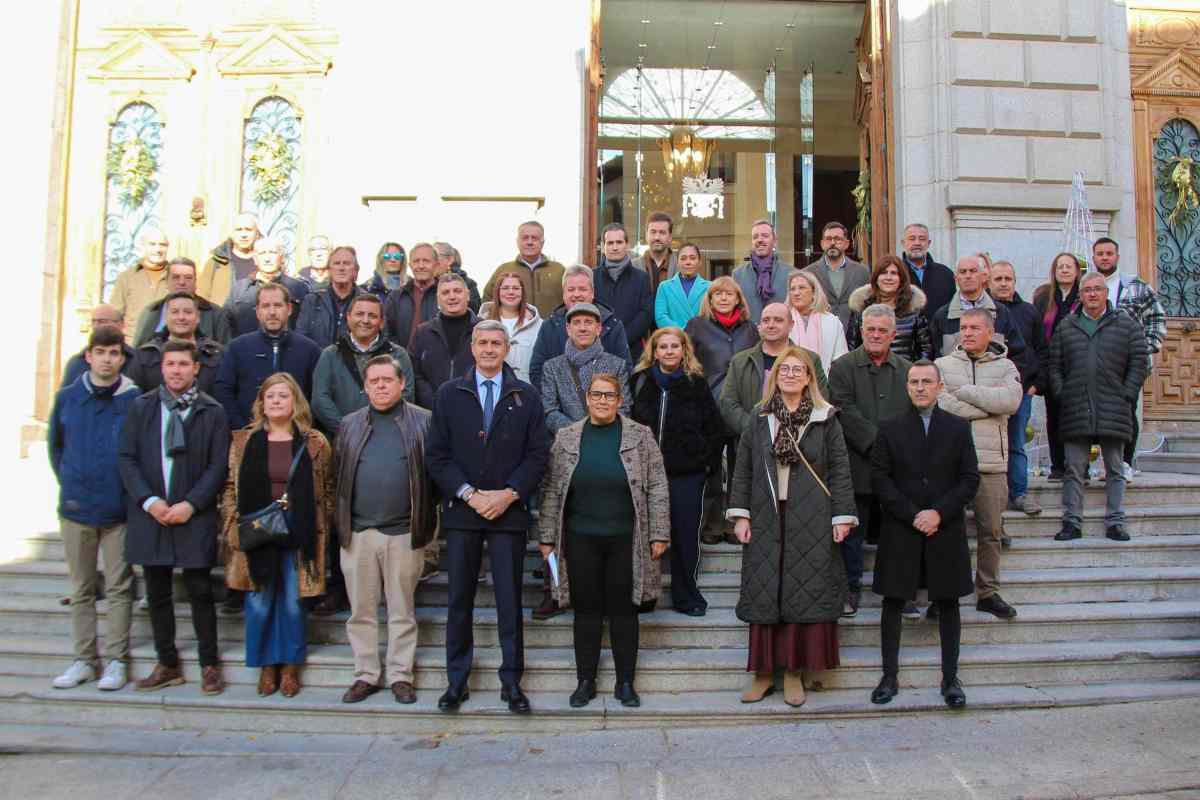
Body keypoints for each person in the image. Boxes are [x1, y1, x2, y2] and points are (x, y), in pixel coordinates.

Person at [426, 320, 550, 714]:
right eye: (483, 342)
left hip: (508, 512)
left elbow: (537, 455)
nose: (490, 349)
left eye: (497, 343)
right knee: (459, 600)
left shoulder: (525, 396)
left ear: (507, 348)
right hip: (463, 512)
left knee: (509, 601)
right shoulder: (449, 394)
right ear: (473, 347)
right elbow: (437, 456)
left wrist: (510, 493)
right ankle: (456, 683)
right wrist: (468, 494)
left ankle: (512, 683)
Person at [727, 347, 856, 707]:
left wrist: (841, 516)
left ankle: (796, 672)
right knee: (767, 588)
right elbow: (744, 468)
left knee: (803, 589)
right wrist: (741, 515)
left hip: (812, 514)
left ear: (809, 377)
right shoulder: (759, 417)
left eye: (799, 370)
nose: (791, 375)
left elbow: (840, 470)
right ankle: (765, 674)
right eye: (785, 369)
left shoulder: (825, 417)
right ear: (775, 376)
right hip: (767, 512)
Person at [539, 372, 670, 708]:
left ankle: (625, 682)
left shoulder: (640, 436)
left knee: (626, 611)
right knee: (586, 611)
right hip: (580, 538)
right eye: (596, 394)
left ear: (619, 400)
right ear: (587, 399)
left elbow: (657, 484)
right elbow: (552, 489)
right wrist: (547, 536)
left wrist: (659, 532)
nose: (602, 401)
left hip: (628, 538)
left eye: (608, 395)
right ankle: (585, 681)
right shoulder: (567, 437)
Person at [118, 340, 230, 695]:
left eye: (184, 364)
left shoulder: (211, 411)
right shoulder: (143, 408)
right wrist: (149, 501)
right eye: (171, 364)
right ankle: (167, 662)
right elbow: (127, 458)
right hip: (153, 513)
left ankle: (209, 663)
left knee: (199, 590)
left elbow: (217, 465)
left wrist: (192, 504)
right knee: (158, 591)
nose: (177, 370)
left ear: (195, 368)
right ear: (162, 368)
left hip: (192, 513)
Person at [870, 360, 980, 709]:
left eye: (926, 382)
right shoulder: (889, 428)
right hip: (902, 528)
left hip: (944, 528)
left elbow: (969, 479)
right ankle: (889, 677)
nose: (920, 387)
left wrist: (938, 513)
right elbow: (880, 480)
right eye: (914, 381)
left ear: (939, 386)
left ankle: (951, 678)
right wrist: (912, 514)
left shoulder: (958, 428)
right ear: (907, 386)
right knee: (893, 601)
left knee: (948, 603)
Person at [333, 356, 436, 705]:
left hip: (405, 532)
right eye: (373, 380)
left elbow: (433, 478)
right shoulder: (348, 425)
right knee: (360, 611)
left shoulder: (423, 422)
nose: (380, 386)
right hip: (359, 533)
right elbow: (338, 477)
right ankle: (365, 674)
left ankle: (400, 675)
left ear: (401, 383)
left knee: (401, 610)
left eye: (386, 380)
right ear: (364, 386)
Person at [221, 374, 332, 698]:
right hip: (258, 534)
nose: (277, 401)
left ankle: (290, 667)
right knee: (259, 602)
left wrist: (320, 525)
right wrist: (232, 525)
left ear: (295, 401)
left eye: (283, 396)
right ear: (261, 403)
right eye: (270, 396)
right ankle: (266, 665)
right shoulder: (243, 442)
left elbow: (326, 488)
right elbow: (230, 487)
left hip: (298, 533)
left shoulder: (314, 442)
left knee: (293, 603)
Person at [48, 327, 139, 691]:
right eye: (100, 352)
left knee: (118, 587)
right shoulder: (69, 398)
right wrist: (72, 481)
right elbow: (56, 447)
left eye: (114, 353)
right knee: (83, 587)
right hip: (76, 508)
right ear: (88, 356)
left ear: (121, 357)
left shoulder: (134, 401)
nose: (106, 359)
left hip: (118, 510)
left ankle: (116, 659)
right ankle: (84, 658)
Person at [934, 308, 1023, 619]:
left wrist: (967, 393)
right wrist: (988, 406)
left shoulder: (1006, 366)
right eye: (963, 327)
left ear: (990, 332)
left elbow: (1010, 402)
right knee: (945, 531)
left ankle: (987, 592)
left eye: (974, 327)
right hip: (949, 464)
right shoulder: (942, 365)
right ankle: (944, 592)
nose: (967, 333)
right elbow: (940, 403)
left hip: (991, 463)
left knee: (991, 531)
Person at [630, 327, 724, 616]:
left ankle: (687, 595)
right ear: (654, 351)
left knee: (685, 535)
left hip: (686, 474)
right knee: (644, 532)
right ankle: (645, 594)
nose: (669, 351)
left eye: (675, 346)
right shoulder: (641, 381)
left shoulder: (696, 383)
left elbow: (714, 428)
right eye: (663, 347)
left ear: (684, 350)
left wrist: (704, 462)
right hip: (646, 474)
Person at [827, 304, 912, 618]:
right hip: (855, 464)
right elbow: (843, 409)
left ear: (893, 334)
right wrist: (880, 443)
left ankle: (901, 593)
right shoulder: (842, 367)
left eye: (882, 331)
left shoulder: (906, 370)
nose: (875, 335)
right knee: (850, 534)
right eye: (870, 329)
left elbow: (912, 414)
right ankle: (848, 590)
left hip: (898, 468)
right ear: (861, 331)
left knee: (898, 534)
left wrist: (895, 449)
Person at [1050, 272, 1149, 543]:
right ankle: (1071, 523)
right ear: (1080, 295)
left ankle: (1116, 523)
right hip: (1076, 407)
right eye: (1087, 290)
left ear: (1106, 293)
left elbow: (1139, 362)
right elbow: (1054, 365)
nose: (1092, 294)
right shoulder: (1067, 325)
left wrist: (1127, 394)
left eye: (1097, 289)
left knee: (1116, 468)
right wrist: (1062, 393)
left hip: (1114, 407)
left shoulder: (1126, 324)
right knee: (1074, 468)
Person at [688, 278, 759, 544]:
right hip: (709, 406)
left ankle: (735, 524)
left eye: (729, 293)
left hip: (743, 406)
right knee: (711, 468)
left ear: (739, 298)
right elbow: (688, 363)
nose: (723, 298)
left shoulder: (751, 329)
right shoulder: (697, 326)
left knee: (741, 465)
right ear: (710, 299)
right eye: (717, 294)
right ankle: (712, 524)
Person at [1091, 237, 1167, 478]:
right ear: (1093, 258)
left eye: (1109, 253)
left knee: (1126, 411)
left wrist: (1144, 349)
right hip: (1094, 362)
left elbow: (1156, 319)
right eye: (1100, 253)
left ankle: (1125, 462)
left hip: (1128, 365)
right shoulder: (1087, 287)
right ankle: (1101, 464)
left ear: (1117, 256)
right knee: (1095, 412)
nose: (1105, 257)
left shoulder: (1137, 286)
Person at [214, 283, 322, 430]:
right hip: (248, 435)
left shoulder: (309, 349)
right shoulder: (237, 348)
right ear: (257, 312)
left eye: (278, 305)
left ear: (289, 309)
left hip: (297, 437)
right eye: (266, 306)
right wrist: (243, 429)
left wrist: (303, 428)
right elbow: (223, 391)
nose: (272, 312)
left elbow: (317, 397)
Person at [988, 260, 1047, 516]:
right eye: (998, 279)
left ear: (1014, 281)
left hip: (1020, 390)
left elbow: (1041, 351)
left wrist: (1034, 386)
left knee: (1016, 444)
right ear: (989, 282)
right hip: (988, 391)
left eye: (1007, 279)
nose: (1003, 283)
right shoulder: (987, 311)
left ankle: (1019, 493)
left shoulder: (1029, 312)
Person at [311, 293, 415, 435]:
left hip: (388, 437)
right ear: (348, 317)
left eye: (372, 315)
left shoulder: (398, 355)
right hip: (341, 441)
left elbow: (407, 396)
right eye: (359, 314)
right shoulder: (330, 355)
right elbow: (320, 400)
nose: (365, 320)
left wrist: (380, 430)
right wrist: (346, 430)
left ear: (382, 322)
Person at [528, 265, 632, 392]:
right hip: (558, 407)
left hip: (603, 404)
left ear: (592, 292)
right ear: (563, 293)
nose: (576, 294)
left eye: (582, 289)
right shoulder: (550, 326)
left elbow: (624, 370)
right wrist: (561, 399)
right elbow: (537, 371)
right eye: (571, 289)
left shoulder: (612, 325)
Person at [542, 302, 631, 433]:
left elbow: (624, 407)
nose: (582, 328)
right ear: (568, 328)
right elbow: (549, 411)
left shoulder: (617, 365)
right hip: (568, 444)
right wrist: (578, 431)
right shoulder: (552, 367)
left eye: (588, 322)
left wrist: (602, 431)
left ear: (599, 328)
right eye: (577, 322)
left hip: (607, 440)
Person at [1031, 252, 1082, 480]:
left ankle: (1079, 466)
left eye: (1068, 266)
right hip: (1053, 366)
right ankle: (1057, 466)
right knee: (1054, 418)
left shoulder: (1083, 297)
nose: (1064, 270)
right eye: (1060, 266)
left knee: (1078, 419)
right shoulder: (1044, 297)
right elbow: (1037, 333)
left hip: (1078, 366)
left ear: (1077, 271)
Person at [929, 255, 1027, 360]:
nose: (968, 276)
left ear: (983, 277)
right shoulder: (942, 316)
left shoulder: (1002, 312)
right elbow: (934, 356)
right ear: (956, 279)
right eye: (963, 272)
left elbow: (1019, 354)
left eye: (973, 271)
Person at [128, 291, 224, 395]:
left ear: (198, 317)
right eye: (175, 312)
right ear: (165, 317)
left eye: (188, 312)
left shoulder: (217, 354)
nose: (181, 317)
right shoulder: (145, 354)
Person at [846, 255, 933, 362]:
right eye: (883, 273)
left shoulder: (914, 311)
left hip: (905, 375)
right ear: (876, 278)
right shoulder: (861, 310)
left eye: (894, 273)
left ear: (901, 278)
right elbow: (851, 348)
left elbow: (926, 350)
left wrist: (915, 373)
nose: (888, 277)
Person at [412, 272, 479, 410]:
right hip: (431, 412)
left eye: (457, 291)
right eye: (445, 292)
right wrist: (435, 401)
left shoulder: (483, 330)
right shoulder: (422, 332)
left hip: (473, 409)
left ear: (467, 295)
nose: (452, 296)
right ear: (438, 299)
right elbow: (415, 374)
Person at [132, 257, 233, 346]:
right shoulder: (150, 311)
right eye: (176, 277)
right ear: (166, 282)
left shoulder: (215, 314)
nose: (182, 282)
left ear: (195, 282)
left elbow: (225, 352)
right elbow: (138, 351)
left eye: (188, 278)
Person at [225, 236, 309, 337]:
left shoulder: (298, 288)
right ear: (255, 259)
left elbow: (306, 327)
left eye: (272, 253)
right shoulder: (239, 289)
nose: (267, 259)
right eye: (262, 253)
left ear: (281, 258)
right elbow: (227, 324)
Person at [593, 223, 654, 362]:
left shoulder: (642, 278)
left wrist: (622, 337)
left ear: (627, 245)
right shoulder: (592, 277)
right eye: (610, 243)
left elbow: (646, 314)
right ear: (603, 247)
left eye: (619, 242)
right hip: (597, 349)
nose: (615, 247)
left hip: (632, 351)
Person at [482, 220, 566, 319]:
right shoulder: (503, 270)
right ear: (518, 242)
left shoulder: (559, 270)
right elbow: (488, 301)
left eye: (534, 238)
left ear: (542, 242)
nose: (529, 242)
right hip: (514, 331)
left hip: (552, 330)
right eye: (525, 238)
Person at [478, 271, 543, 383]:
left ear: (522, 292)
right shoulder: (481, 324)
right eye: (505, 288)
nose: (511, 292)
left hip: (528, 392)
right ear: (497, 292)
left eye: (516, 288)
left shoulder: (539, 325)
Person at [802, 221, 869, 328]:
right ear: (822, 243)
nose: (832, 243)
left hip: (853, 336)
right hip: (819, 333)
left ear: (846, 244)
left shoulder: (862, 272)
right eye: (828, 239)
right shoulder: (808, 274)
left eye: (837, 239)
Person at [296, 245, 363, 350]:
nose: (341, 268)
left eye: (346, 263)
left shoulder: (367, 301)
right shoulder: (312, 301)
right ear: (329, 270)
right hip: (318, 362)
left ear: (355, 270)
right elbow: (301, 339)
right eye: (336, 263)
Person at [110, 227, 170, 341]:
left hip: (166, 346)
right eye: (152, 244)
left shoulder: (176, 277)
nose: (158, 249)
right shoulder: (127, 278)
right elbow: (115, 316)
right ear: (142, 247)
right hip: (132, 344)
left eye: (162, 245)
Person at [786, 270, 849, 374]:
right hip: (790, 380)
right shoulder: (783, 320)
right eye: (792, 289)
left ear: (814, 292)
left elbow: (841, 360)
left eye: (802, 288)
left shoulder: (832, 322)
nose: (796, 293)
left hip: (825, 383)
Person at [732, 219, 792, 321]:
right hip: (749, 334)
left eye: (765, 236)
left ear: (774, 241)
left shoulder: (791, 273)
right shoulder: (738, 274)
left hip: (780, 333)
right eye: (755, 237)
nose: (760, 240)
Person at [61, 305, 136, 386]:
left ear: (120, 324)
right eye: (93, 322)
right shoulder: (77, 362)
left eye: (102, 321)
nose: (96, 326)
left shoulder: (137, 361)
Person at [383, 242, 439, 349]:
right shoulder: (396, 297)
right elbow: (386, 332)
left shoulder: (445, 295)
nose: (421, 266)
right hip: (402, 360)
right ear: (410, 265)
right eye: (416, 261)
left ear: (436, 265)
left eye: (426, 261)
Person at [199, 212, 259, 305]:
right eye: (239, 230)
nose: (244, 235)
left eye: (248, 230)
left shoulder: (264, 263)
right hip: (221, 318)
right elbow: (201, 298)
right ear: (231, 234)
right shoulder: (216, 263)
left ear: (257, 234)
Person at [899, 223, 956, 318]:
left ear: (928, 243)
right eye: (912, 239)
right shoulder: (895, 274)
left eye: (922, 239)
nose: (917, 243)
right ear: (903, 243)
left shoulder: (945, 274)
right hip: (906, 331)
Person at [654, 242, 710, 330]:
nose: (688, 262)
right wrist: (682, 333)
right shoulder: (664, 287)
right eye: (683, 258)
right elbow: (661, 317)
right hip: (674, 339)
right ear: (677, 262)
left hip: (701, 340)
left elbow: (712, 317)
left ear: (699, 262)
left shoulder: (710, 287)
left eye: (692, 258)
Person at [635, 211, 681, 290]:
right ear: (646, 235)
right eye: (653, 232)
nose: (657, 237)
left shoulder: (681, 266)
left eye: (662, 232)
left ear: (670, 237)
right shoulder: (633, 266)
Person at [434, 241, 482, 312]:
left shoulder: (468, 284)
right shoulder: (424, 285)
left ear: (449, 260)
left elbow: (474, 313)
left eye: (435, 256)